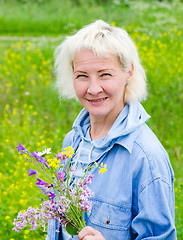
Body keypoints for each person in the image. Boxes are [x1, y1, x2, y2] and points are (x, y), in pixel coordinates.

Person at [46, 20, 176, 240]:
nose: (94, 88)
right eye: (82, 76)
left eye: (105, 74)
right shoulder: (72, 142)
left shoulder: (146, 157)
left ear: (128, 73)